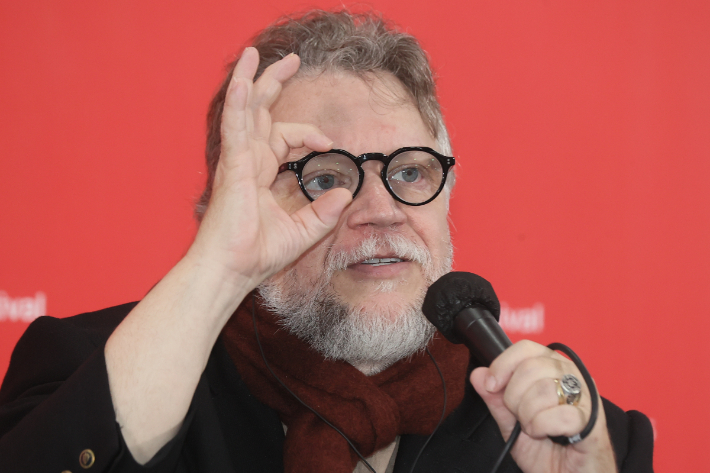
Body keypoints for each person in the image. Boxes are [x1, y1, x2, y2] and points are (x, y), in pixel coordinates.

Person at [0, 9, 652, 473]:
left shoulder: (572, 433)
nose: (381, 211)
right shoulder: (80, 370)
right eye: (324, 178)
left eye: (410, 172)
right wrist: (217, 269)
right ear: (226, 207)